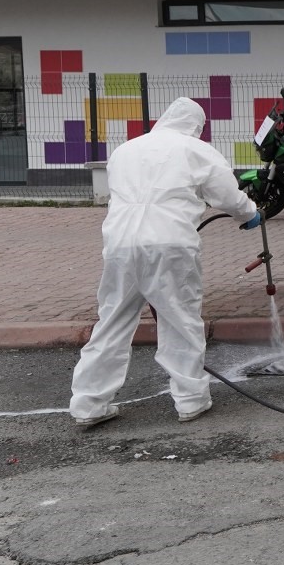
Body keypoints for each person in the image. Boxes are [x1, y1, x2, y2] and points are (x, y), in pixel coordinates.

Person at [69, 97, 261, 427]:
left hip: (120, 244)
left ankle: (88, 405)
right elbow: (227, 196)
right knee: (180, 319)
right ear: (197, 127)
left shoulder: (125, 150)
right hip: (170, 244)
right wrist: (250, 213)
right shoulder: (195, 150)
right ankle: (190, 400)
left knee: (112, 322)